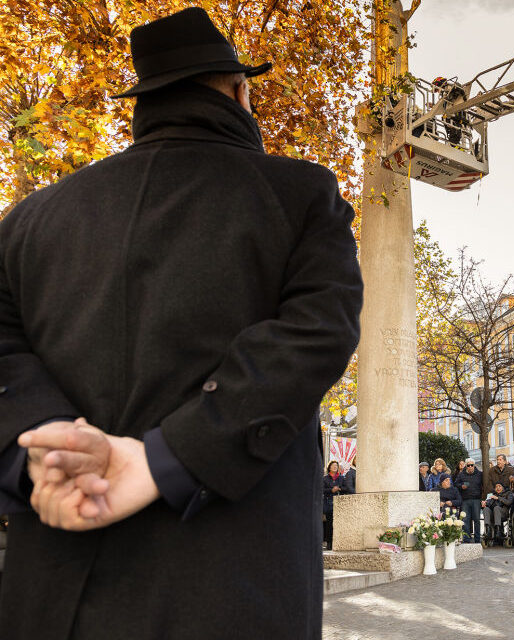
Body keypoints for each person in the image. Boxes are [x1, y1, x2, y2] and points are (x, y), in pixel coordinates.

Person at [0, 8, 362, 639]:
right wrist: (166, 461)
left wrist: (44, 451)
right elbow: (316, 332)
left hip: (52, 594)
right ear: (239, 90)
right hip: (230, 589)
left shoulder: (27, 220)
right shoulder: (300, 193)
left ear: (142, 104)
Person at [455, 458, 483, 543]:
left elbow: (483, 485)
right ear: (466, 466)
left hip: (476, 499)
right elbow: (456, 483)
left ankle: (477, 539)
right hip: (465, 500)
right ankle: (466, 538)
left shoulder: (479, 474)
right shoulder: (461, 474)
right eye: (468, 465)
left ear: (474, 466)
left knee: (477, 520)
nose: (470, 467)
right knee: (465, 520)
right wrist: (461, 486)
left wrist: (483, 498)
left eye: (472, 465)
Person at [322, 461, 343, 550]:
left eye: (336, 466)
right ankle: (329, 543)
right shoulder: (325, 478)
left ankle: (338, 542)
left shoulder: (341, 478)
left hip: (339, 503)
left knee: (339, 523)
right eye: (333, 466)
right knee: (329, 523)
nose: (335, 467)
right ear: (329, 467)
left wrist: (339, 489)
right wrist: (331, 490)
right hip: (328, 503)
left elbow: (346, 487)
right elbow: (322, 489)